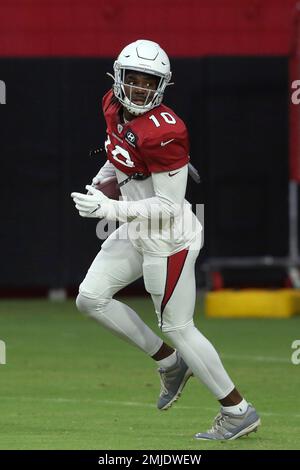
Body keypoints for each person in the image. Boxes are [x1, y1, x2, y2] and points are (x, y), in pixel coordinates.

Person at [71, 39, 260, 440]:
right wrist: (104, 180)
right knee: (91, 299)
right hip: (138, 229)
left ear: (163, 85)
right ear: (117, 78)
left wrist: (110, 210)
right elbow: (118, 150)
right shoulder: (111, 104)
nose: (140, 89)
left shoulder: (165, 131)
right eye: (133, 80)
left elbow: (169, 207)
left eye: (149, 82)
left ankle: (237, 410)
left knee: (179, 327)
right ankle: (170, 363)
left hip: (169, 239)